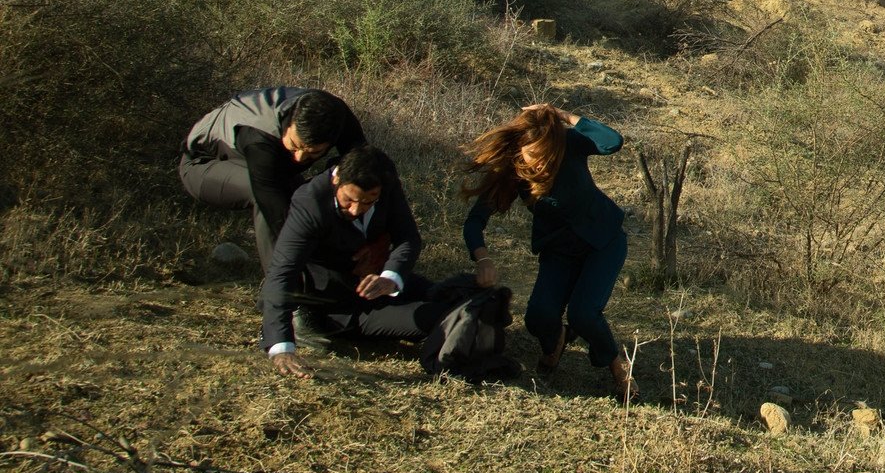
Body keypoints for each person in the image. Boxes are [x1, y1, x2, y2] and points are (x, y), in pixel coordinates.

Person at [463, 103, 633, 402]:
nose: (543, 165)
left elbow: (612, 141)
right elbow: (475, 222)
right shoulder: (511, 172)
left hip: (603, 241)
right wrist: (483, 259)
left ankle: (619, 371)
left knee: (584, 314)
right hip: (559, 250)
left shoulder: (567, 144)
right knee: (538, 318)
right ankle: (557, 341)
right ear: (520, 150)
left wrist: (563, 116)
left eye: (548, 158)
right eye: (535, 158)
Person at [262, 147, 448, 377]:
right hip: (339, 305)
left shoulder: (385, 184)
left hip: (377, 283)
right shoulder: (310, 203)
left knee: (456, 295)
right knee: (437, 318)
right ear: (336, 179)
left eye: (368, 202)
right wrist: (281, 347)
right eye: (348, 199)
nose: (356, 209)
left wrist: (390, 277)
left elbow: (408, 237)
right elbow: (283, 271)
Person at [181, 87, 367, 268]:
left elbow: (366, 169)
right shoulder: (259, 138)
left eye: (313, 153)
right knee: (267, 199)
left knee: (321, 190)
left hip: (262, 166)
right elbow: (279, 215)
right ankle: (282, 284)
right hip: (201, 165)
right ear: (288, 124)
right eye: (295, 145)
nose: (299, 158)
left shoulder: (337, 114)